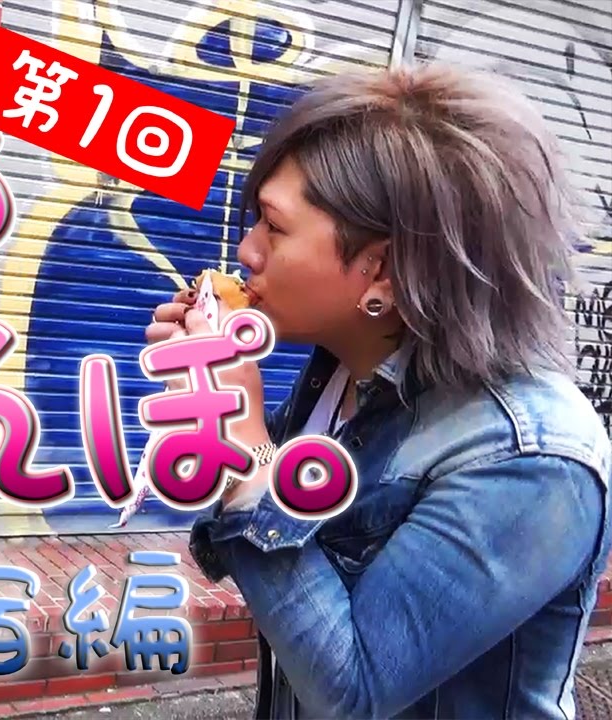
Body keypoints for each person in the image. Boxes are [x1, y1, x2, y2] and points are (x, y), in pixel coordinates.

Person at [147, 63, 612, 719]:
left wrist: (243, 450)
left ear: (383, 271)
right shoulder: (343, 369)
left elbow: (352, 692)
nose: (246, 251)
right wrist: (209, 417)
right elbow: (252, 542)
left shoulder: (530, 460)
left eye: (274, 227)